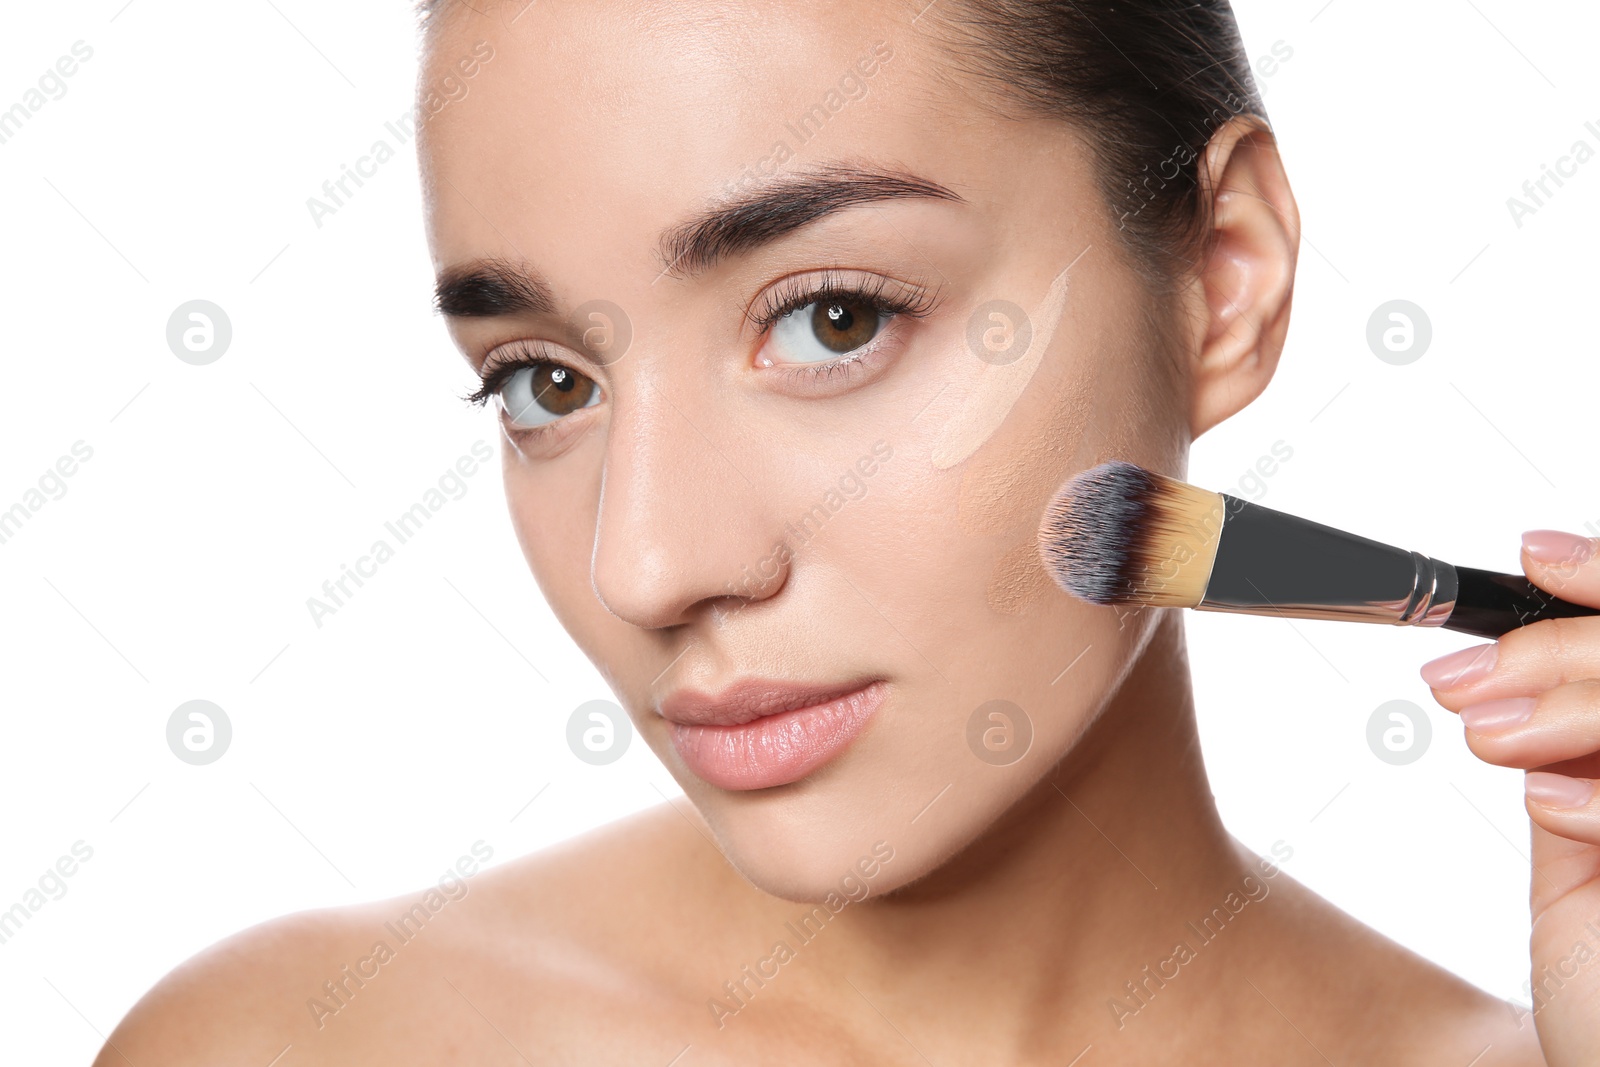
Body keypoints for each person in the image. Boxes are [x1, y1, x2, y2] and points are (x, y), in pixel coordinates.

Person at [97, 1, 1600, 1062]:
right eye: (545, 382)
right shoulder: (293, 1047)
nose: (650, 564)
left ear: (1221, 276)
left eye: (834, 318)